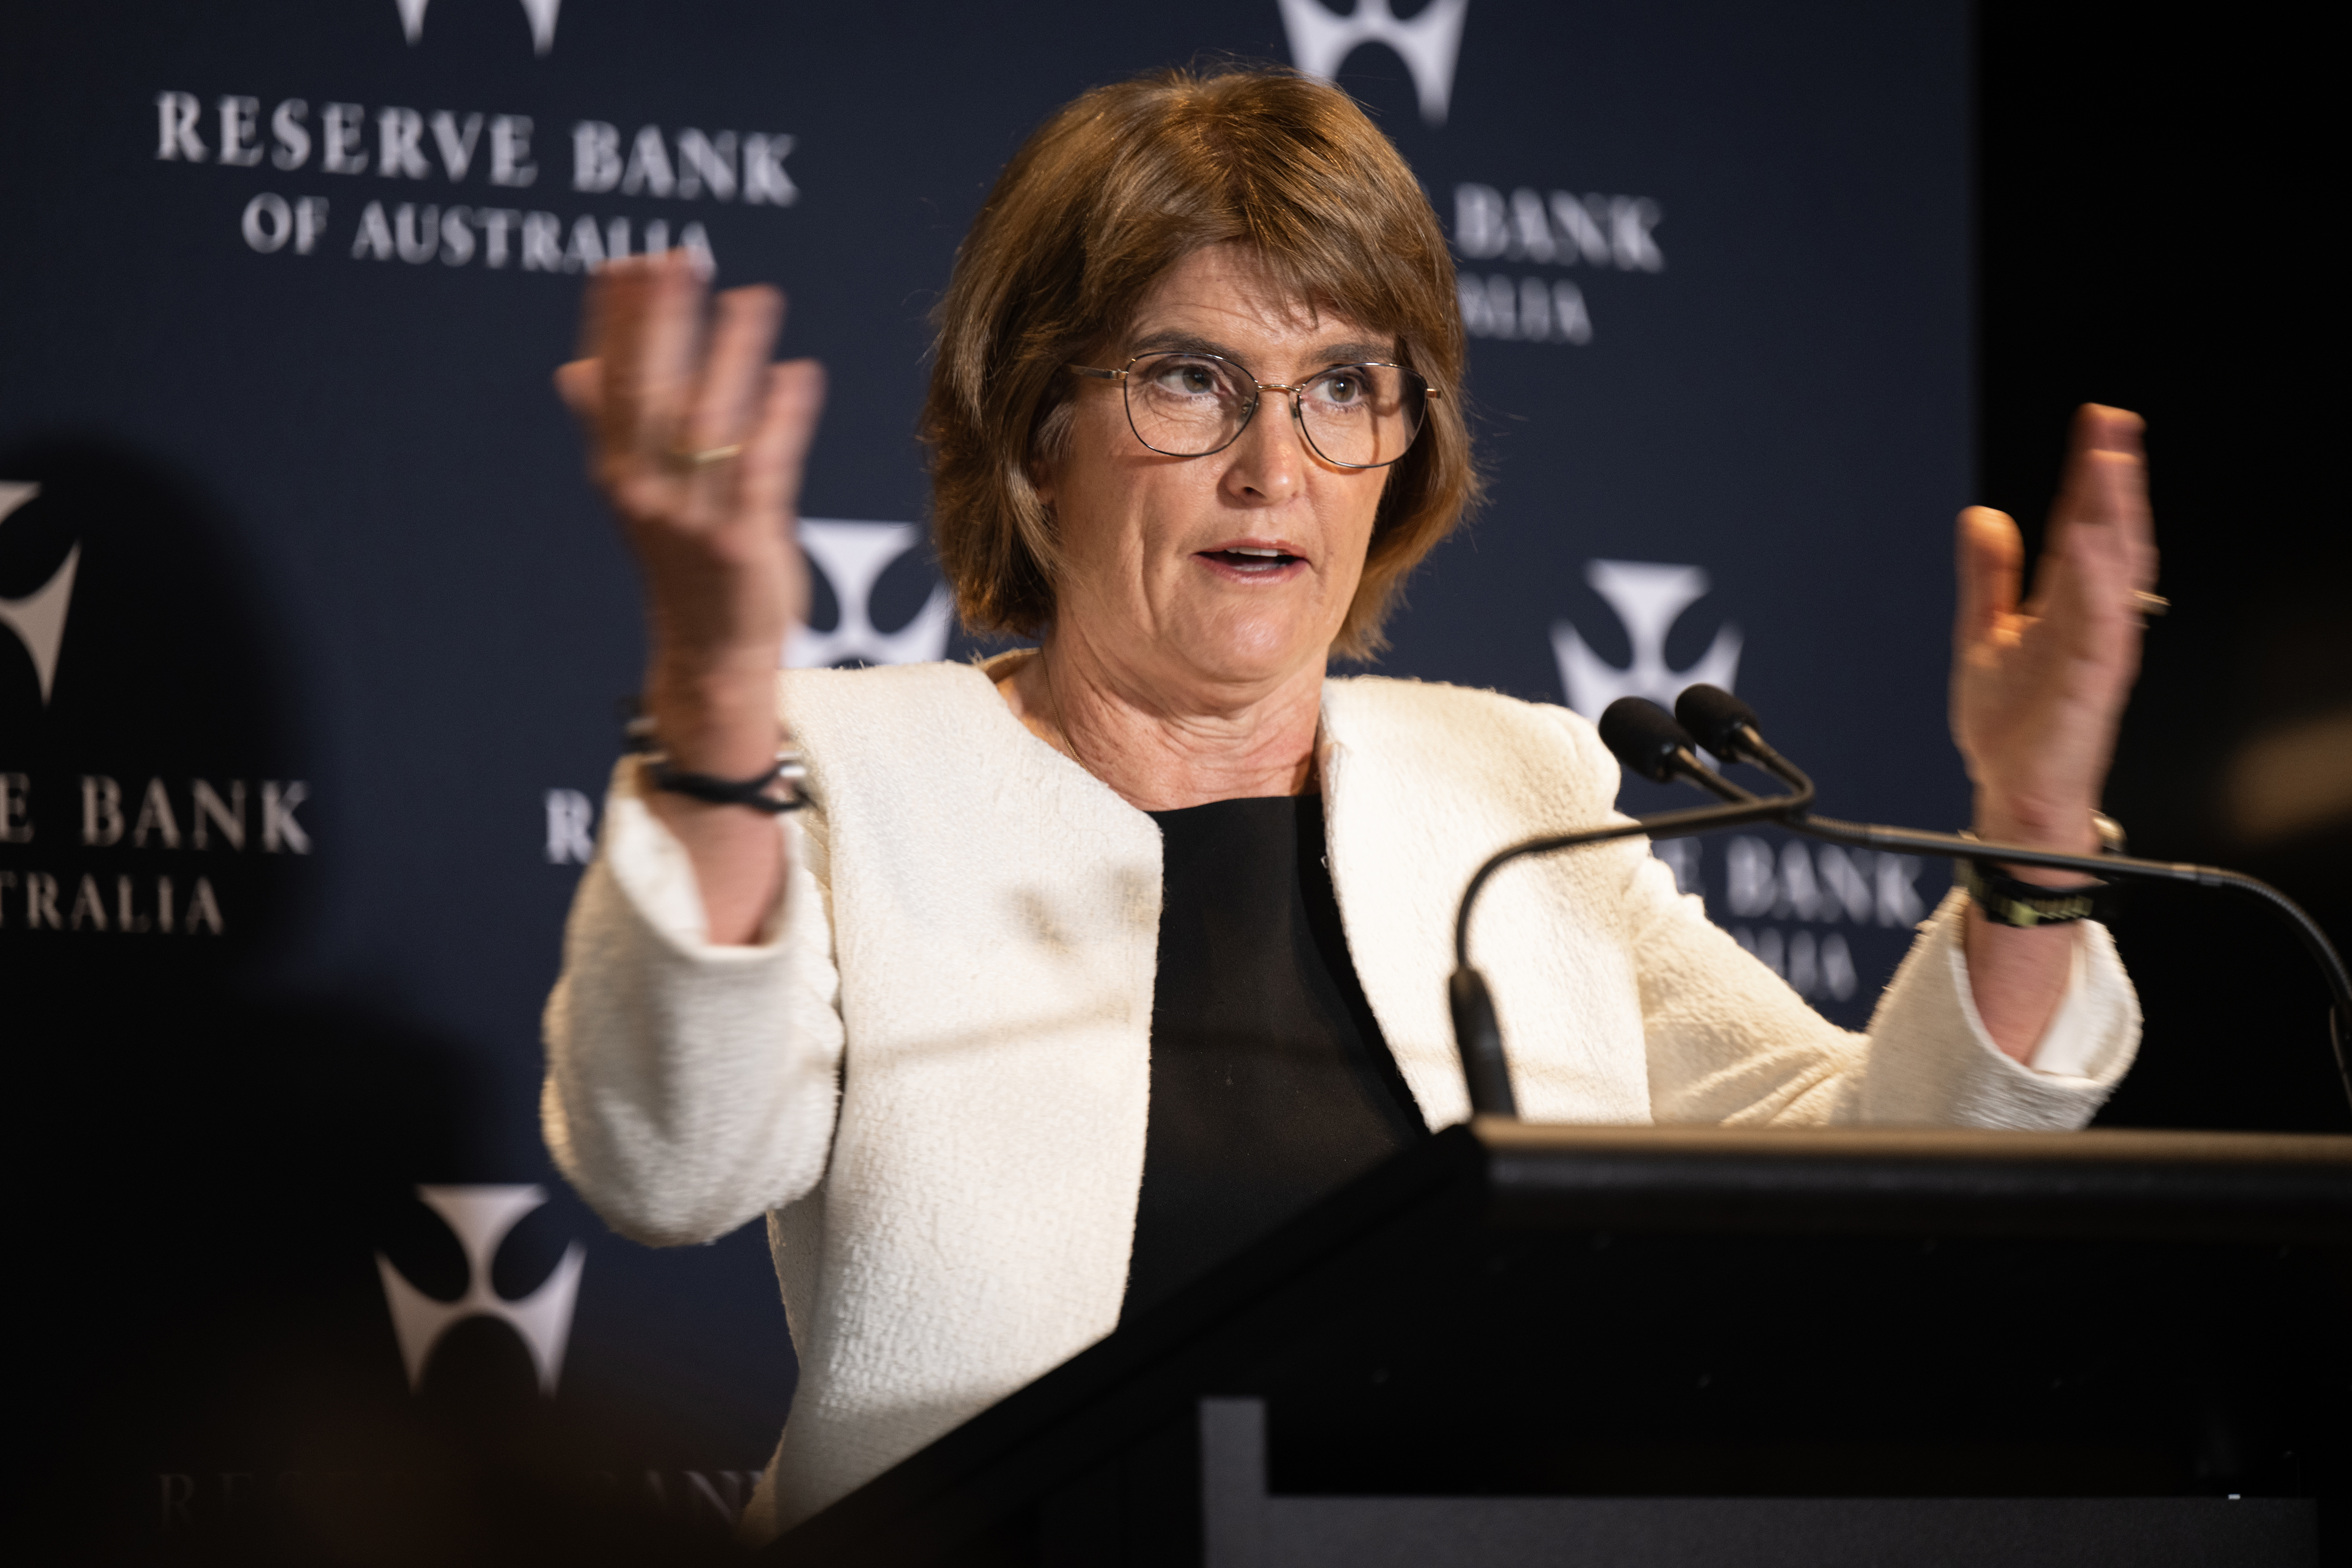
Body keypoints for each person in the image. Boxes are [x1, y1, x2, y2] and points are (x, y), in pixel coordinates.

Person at [541, 66, 2157, 1541]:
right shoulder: (834, 771)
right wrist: (709, 701)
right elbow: (668, 1166)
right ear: (1040, 430)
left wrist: (2032, 815)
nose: (1275, 466)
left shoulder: (1513, 784)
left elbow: (1880, 1174)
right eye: (1191, 380)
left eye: (1342, 389)